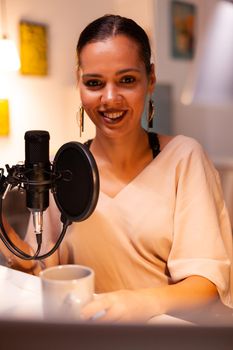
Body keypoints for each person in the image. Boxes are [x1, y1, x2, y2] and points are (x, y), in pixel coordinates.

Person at [0, 14, 232, 323]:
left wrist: (133, 303)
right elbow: (42, 270)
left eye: (127, 80)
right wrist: (12, 241)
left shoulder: (184, 158)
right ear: (80, 82)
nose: (110, 99)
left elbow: (205, 285)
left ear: (150, 79)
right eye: (94, 83)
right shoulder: (65, 170)